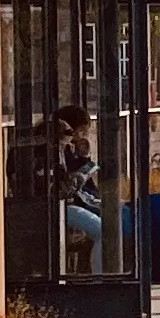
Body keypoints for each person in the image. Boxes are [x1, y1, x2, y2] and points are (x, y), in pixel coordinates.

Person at [48, 105, 107, 271]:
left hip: (68, 204)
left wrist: (84, 158)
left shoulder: (65, 148)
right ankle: (98, 277)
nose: (81, 136)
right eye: (80, 130)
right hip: (60, 205)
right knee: (102, 230)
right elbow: (65, 184)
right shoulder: (56, 149)